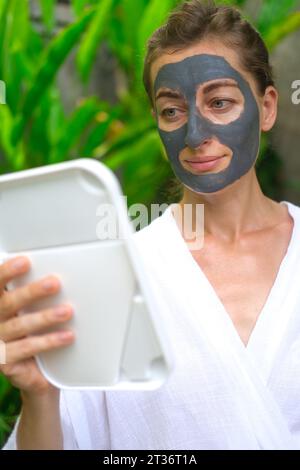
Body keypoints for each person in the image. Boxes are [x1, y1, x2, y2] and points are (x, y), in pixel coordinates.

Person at [2, 0, 300, 450]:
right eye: (172, 111)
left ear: (268, 107)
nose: (196, 135)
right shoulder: (117, 274)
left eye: (220, 102)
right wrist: (40, 396)